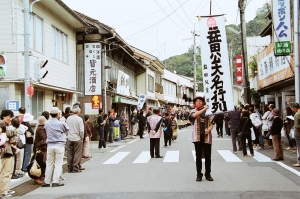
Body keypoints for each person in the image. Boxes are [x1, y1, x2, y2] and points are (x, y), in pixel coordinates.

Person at [41, 107, 69, 187]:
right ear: (57, 114)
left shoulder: (47, 123)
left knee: (49, 164)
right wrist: (63, 122)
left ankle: (47, 181)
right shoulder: (61, 123)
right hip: (59, 145)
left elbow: (45, 130)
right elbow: (67, 129)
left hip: (50, 145)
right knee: (58, 164)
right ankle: (55, 181)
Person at [189, 96, 214, 182]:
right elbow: (195, 115)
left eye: (200, 101)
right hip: (197, 137)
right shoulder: (193, 111)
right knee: (198, 157)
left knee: (208, 157)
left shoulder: (209, 112)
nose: (199, 102)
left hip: (207, 136)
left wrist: (209, 129)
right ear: (195, 103)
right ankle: (199, 174)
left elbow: (212, 123)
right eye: (197, 101)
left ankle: (208, 174)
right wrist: (204, 109)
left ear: (203, 102)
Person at [0, 110, 16, 197]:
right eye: (9, 117)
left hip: (9, 150)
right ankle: (3, 190)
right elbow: (9, 133)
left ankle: (5, 188)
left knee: (9, 171)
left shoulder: (7, 126)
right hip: (5, 152)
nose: (10, 119)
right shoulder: (1, 125)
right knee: (5, 171)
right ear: (3, 116)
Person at [66, 104, 84, 173]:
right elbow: (81, 130)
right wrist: (81, 137)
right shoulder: (79, 119)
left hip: (69, 138)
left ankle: (69, 167)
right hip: (77, 138)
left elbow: (66, 128)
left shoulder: (68, 118)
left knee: (69, 153)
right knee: (77, 153)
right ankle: (75, 167)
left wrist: (67, 135)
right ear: (78, 111)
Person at [30, 116, 47, 185]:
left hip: (41, 148)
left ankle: (42, 175)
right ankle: (37, 178)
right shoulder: (40, 129)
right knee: (40, 163)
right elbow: (44, 138)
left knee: (42, 163)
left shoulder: (40, 128)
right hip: (41, 149)